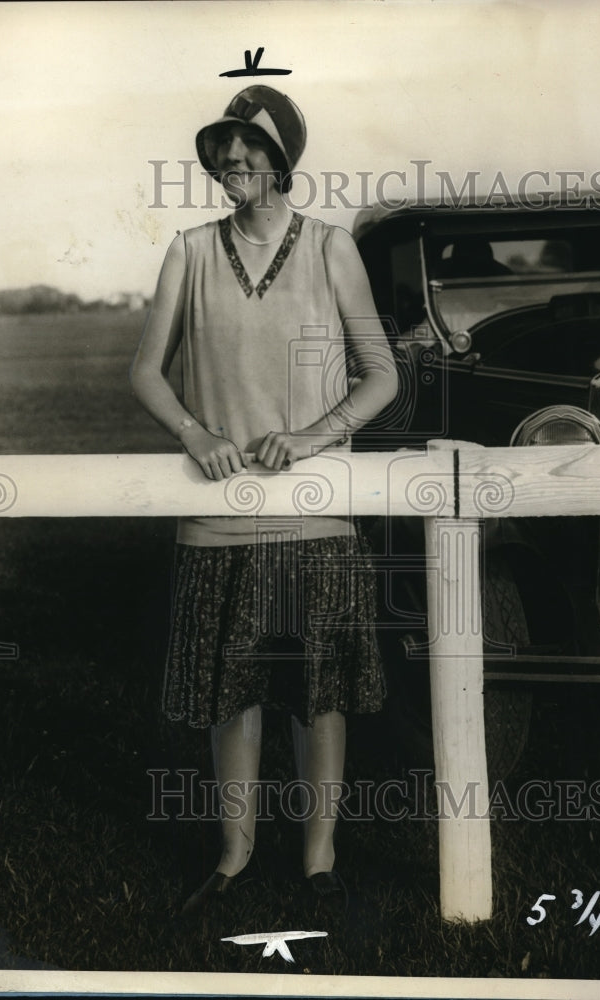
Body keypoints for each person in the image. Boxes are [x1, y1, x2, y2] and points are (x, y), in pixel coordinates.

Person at [131, 85, 398, 913]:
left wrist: (314, 436)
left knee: (317, 696)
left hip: (314, 513)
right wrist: (194, 433)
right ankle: (233, 856)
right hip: (217, 518)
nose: (233, 159)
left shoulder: (329, 248)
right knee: (231, 692)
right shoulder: (189, 251)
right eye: (224, 146)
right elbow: (145, 372)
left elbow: (382, 376)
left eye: (250, 146)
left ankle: (319, 862)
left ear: (282, 160)